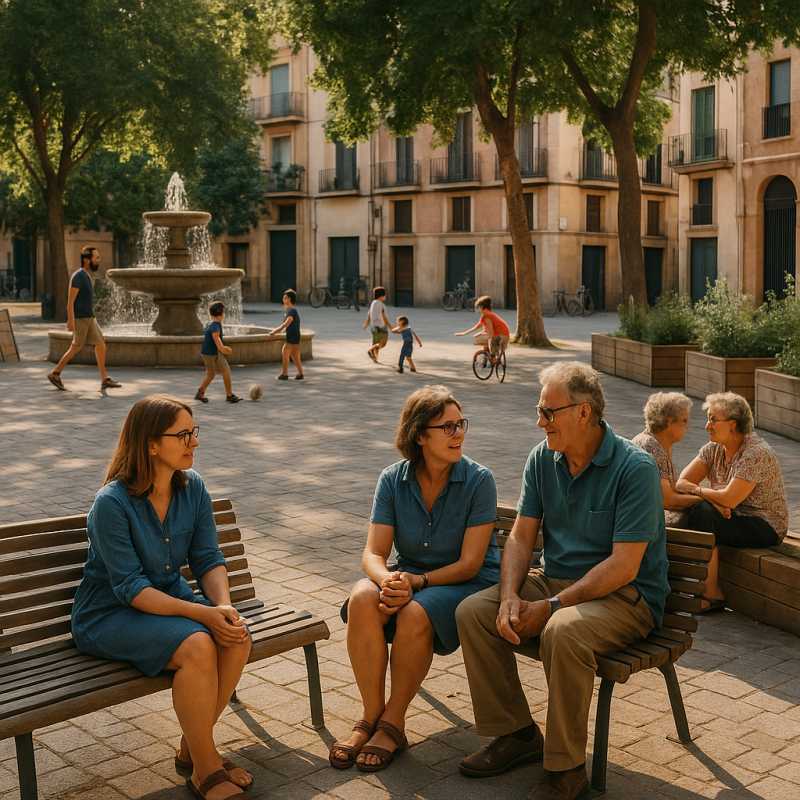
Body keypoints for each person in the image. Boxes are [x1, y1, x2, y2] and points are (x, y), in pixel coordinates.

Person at [456, 361, 669, 800]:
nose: (539, 421)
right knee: (474, 611)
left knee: (564, 631)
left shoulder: (635, 468)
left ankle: (567, 770)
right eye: (540, 411)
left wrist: (552, 607)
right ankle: (518, 734)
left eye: (548, 412)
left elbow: (625, 567)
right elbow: (520, 534)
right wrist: (510, 595)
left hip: (627, 597)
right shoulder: (543, 456)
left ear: (583, 412)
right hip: (556, 582)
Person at [71, 395, 254, 800]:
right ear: (151, 444)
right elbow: (130, 588)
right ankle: (205, 769)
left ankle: (194, 746)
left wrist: (221, 606)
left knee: (237, 636)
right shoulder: (112, 504)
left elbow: (208, 557)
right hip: (107, 615)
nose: (195, 442)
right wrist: (201, 615)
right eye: (184, 435)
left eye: (194, 432)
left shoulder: (193, 488)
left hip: (166, 603)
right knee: (199, 646)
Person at [329, 385, 500, 773]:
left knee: (413, 615)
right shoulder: (392, 479)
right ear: (420, 435)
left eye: (461, 424)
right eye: (448, 427)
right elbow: (373, 554)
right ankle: (371, 715)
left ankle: (394, 722)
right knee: (361, 596)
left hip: (465, 584)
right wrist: (388, 580)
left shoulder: (478, 480)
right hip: (410, 577)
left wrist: (415, 582)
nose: (459, 434)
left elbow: (472, 564)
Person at [676, 392, 788, 613]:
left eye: (713, 419)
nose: (707, 425)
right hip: (732, 514)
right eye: (708, 419)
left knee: (702, 512)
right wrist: (715, 499)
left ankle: (711, 593)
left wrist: (703, 491)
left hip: (763, 523)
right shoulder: (713, 449)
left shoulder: (756, 453)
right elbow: (681, 482)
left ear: (733, 423)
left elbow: (729, 498)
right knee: (687, 511)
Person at [47, 245, 122, 391]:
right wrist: (70, 320)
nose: (99, 261)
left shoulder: (86, 275)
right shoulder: (78, 277)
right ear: (87, 260)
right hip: (81, 318)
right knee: (76, 347)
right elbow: (70, 301)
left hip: (90, 318)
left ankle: (104, 379)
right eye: (96, 258)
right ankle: (55, 373)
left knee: (100, 343)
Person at [632, 392, 702, 527]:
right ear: (670, 423)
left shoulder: (656, 441)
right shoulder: (654, 447)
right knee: (706, 515)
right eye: (684, 421)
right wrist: (707, 499)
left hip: (642, 515)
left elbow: (672, 490)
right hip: (643, 521)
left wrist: (698, 492)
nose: (686, 426)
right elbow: (668, 501)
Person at [196, 301, 241, 403]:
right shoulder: (216, 325)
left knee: (211, 375)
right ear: (221, 313)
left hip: (207, 353)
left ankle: (200, 393)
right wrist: (222, 348)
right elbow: (216, 338)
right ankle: (229, 395)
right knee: (225, 370)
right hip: (214, 353)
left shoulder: (210, 324)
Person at [454, 296, 510, 362]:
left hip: (498, 335)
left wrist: (489, 337)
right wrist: (464, 333)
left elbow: (489, 329)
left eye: (480, 307)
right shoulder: (492, 314)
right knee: (497, 347)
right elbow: (486, 329)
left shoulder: (486, 317)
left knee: (493, 346)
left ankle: (495, 359)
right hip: (506, 334)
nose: (479, 309)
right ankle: (499, 358)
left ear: (484, 308)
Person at [269, 289, 304, 380]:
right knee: (295, 355)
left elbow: (288, 321)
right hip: (295, 335)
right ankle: (300, 373)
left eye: (285, 297)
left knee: (285, 351)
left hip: (292, 336)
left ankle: (284, 374)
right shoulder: (290, 310)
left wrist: (276, 331)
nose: (283, 299)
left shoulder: (292, 310)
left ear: (289, 299)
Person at [364, 286, 392, 363]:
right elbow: (384, 317)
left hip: (373, 326)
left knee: (376, 342)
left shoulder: (373, 303)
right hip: (381, 326)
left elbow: (369, 313)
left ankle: (375, 357)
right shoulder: (381, 305)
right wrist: (390, 326)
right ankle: (371, 350)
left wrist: (367, 323)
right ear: (382, 295)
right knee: (383, 342)